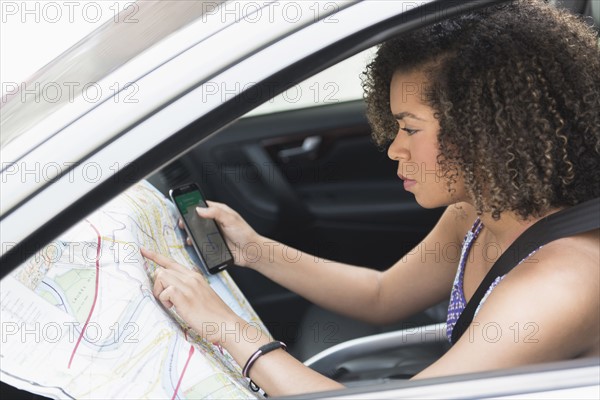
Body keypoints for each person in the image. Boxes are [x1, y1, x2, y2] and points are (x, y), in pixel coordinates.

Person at [141, 0, 600, 396]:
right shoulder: (479, 212)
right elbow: (382, 295)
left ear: (488, 131)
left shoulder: (561, 283)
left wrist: (224, 327)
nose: (395, 147)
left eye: (410, 128)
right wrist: (253, 249)